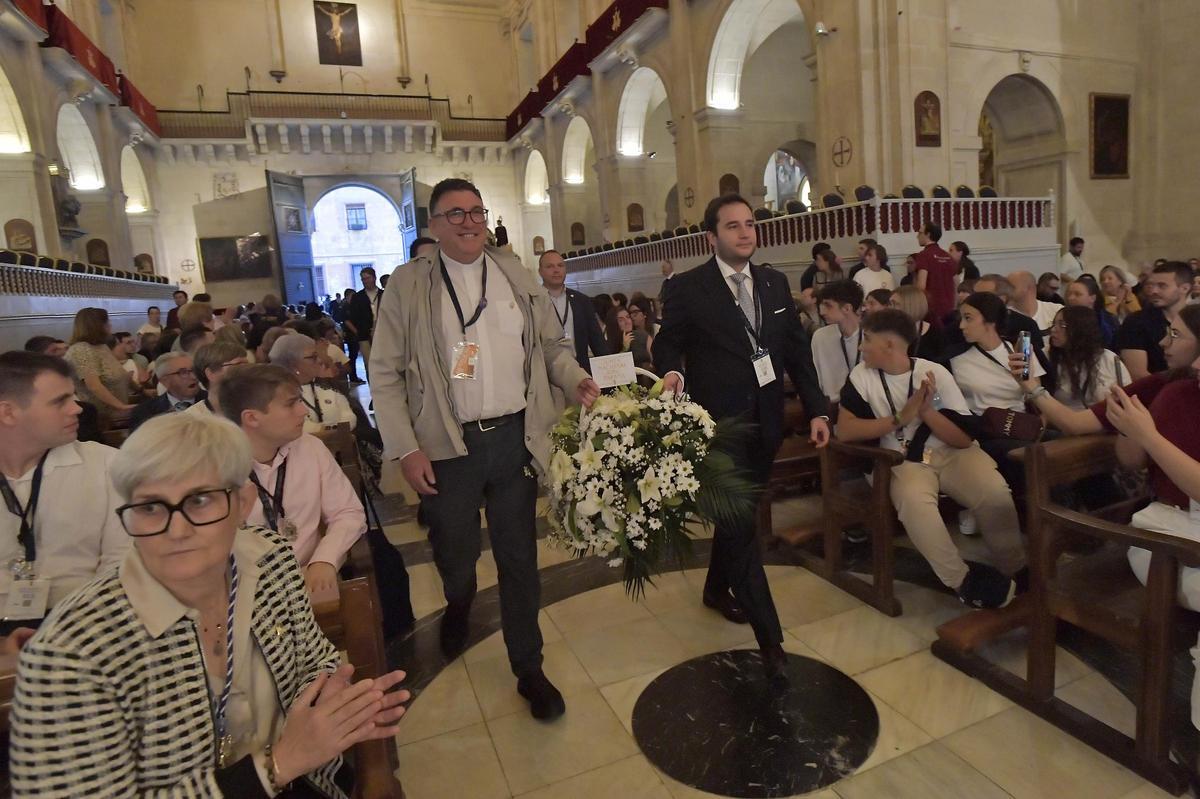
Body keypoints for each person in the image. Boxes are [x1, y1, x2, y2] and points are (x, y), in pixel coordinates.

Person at [9, 411, 406, 796]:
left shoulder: (270, 559)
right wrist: (278, 764)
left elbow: (312, 659)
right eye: (150, 508)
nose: (176, 531)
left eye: (199, 501)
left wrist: (332, 698)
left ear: (242, 502)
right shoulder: (71, 652)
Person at [370, 178, 597, 720]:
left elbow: (550, 345)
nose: (469, 222)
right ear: (433, 224)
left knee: (520, 558)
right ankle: (459, 598)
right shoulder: (408, 285)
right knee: (456, 550)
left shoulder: (516, 273)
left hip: (515, 436)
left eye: (476, 211)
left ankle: (529, 667)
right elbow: (384, 372)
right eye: (454, 214)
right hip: (448, 445)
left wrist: (575, 379)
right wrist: (405, 448)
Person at [654, 193, 831, 685]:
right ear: (711, 237)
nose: (745, 233)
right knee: (741, 526)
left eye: (750, 224)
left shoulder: (774, 282)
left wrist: (816, 409)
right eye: (733, 226)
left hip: (766, 423)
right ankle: (770, 638)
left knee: (738, 520)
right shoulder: (689, 288)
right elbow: (669, 341)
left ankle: (715, 590)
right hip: (719, 428)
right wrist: (669, 370)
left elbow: (796, 353)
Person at [836, 309, 1025, 608]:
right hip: (898, 460)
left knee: (993, 491)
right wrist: (901, 417)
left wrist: (926, 412)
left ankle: (1016, 569)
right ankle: (962, 581)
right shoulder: (861, 377)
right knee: (915, 503)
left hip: (948, 452)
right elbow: (845, 430)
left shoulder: (932, 372)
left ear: (889, 345)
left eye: (867, 339)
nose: (861, 346)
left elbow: (963, 439)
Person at [0, 352, 129, 649]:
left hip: (87, 629)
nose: (77, 409)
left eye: (73, 397)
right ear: (8, 413)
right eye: (60, 401)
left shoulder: (108, 465)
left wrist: (66, 634)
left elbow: (121, 566)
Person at [1103, 363, 1200, 729]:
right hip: (1162, 537)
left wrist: (1148, 435)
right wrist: (1135, 430)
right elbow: (1130, 460)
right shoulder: (1178, 395)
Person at [219, 364, 366, 597]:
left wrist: (325, 559)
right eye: (291, 404)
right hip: (251, 591)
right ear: (252, 418)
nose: (303, 411)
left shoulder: (310, 447)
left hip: (311, 575)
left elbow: (348, 512)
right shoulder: (216, 468)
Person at [1011, 305, 1200, 436]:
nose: (1162, 342)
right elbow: (1075, 424)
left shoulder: (1108, 359)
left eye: (1175, 335)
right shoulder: (1159, 384)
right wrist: (1031, 386)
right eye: (1168, 332)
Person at [947, 291, 1048, 488]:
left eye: (968, 318)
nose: (961, 326)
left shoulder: (1018, 351)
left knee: (1063, 445)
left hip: (1022, 426)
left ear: (990, 321)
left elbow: (1038, 396)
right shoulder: (955, 359)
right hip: (987, 432)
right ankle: (1047, 513)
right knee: (1035, 456)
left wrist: (1041, 426)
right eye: (961, 318)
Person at [1114, 261, 1193, 380]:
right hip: (1156, 394)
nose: (1153, 291)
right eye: (1151, 285)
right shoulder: (1136, 322)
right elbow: (1138, 375)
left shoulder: (1194, 319)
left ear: (1184, 288)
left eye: (1162, 286)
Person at [538, 249, 609, 372]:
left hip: (579, 370)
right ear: (540, 271)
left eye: (560, 265)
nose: (556, 270)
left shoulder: (582, 301)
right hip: (545, 371)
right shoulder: (533, 301)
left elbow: (597, 341)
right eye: (550, 266)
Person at [1046, 305, 1129, 410]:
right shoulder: (1047, 356)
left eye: (1062, 325)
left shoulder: (1109, 359)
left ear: (1080, 328)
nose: (1053, 330)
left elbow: (1128, 398)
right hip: (1059, 422)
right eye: (1053, 324)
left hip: (1104, 420)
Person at [269, 334, 356, 432]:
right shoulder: (275, 393)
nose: (319, 360)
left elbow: (348, 414)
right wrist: (327, 430)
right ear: (293, 364)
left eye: (317, 355)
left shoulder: (325, 384)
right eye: (313, 357)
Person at [64, 307, 135, 421]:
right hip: (101, 415)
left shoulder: (101, 347)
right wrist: (121, 407)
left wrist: (141, 389)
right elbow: (94, 385)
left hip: (118, 410)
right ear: (96, 325)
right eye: (107, 322)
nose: (110, 325)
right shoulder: (81, 350)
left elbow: (119, 373)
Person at [811, 280, 865, 404]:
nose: (822, 312)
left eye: (828, 305)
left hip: (865, 405)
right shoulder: (820, 336)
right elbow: (816, 377)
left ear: (847, 308)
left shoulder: (871, 335)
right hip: (832, 405)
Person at [129, 352, 203, 431]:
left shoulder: (214, 403)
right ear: (164, 381)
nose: (194, 377)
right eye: (183, 372)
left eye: (194, 370)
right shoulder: (144, 412)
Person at [186, 340, 248, 418]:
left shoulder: (258, 408)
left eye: (247, 365)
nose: (247, 370)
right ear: (211, 373)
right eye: (239, 365)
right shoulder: (191, 420)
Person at [914, 221, 956, 329]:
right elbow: (956, 282)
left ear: (928, 234)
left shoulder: (924, 255)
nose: (917, 236)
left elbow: (921, 286)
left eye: (920, 233)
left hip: (931, 308)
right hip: (949, 308)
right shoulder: (948, 256)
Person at [889, 285, 943, 361]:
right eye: (890, 304)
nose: (889, 308)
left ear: (911, 306)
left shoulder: (934, 334)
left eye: (895, 304)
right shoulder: (886, 330)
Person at [345, 267, 382, 378]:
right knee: (369, 364)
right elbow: (352, 317)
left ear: (374, 278)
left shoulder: (383, 294)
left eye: (367, 278)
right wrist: (358, 332)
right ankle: (373, 389)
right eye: (363, 279)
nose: (366, 281)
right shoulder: (358, 297)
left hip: (383, 332)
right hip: (364, 334)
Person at [1064, 276, 1119, 347]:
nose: (1071, 298)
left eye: (1077, 294)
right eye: (1069, 294)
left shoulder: (1108, 321)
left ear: (1092, 298)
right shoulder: (1063, 318)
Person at [1007, 270, 1063, 337]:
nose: (1007, 290)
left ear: (1029, 288)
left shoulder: (1057, 310)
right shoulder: (1005, 316)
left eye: (1012, 287)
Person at [604, 306, 653, 370]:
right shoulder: (608, 345)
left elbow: (655, 361)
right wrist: (625, 349)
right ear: (613, 323)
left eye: (628, 317)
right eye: (621, 320)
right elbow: (612, 370)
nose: (627, 322)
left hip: (647, 375)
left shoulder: (643, 336)